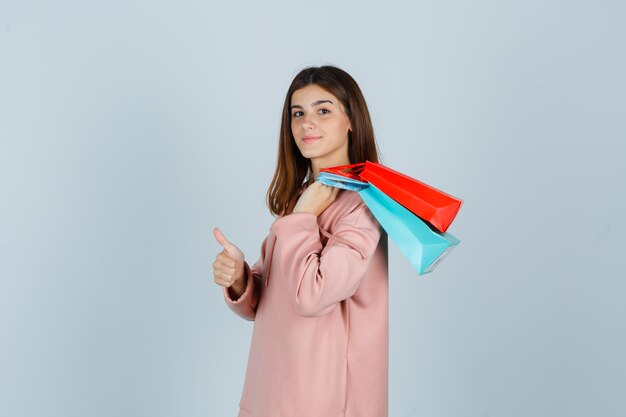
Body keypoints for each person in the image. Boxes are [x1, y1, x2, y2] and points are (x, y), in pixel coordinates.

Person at [212, 65, 389, 417]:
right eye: (298, 113)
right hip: (271, 392)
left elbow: (311, 296)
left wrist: (303, 219)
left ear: (351, 119)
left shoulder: (364, 206)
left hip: (324, 401)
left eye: (323, 110)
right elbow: (270, 296)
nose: (307, 122)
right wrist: (239, 278)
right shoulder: (303, 197)